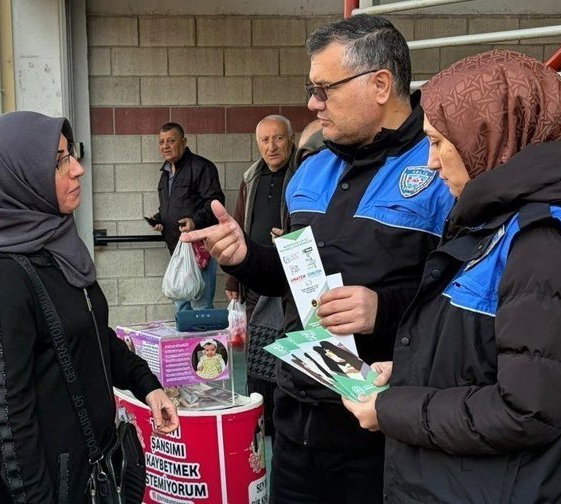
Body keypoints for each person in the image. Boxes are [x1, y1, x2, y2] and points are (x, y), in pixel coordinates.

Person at [342, 50, 561, 503]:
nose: (430, 163)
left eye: (440, 142)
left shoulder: (544, 241)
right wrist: (407, 372)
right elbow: (498, 354)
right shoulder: (502, 223)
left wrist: (392, 409)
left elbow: (527, 408)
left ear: (489, 136)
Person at [181, 14, 455, 503]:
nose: (312, 103)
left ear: (380, 85)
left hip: (382, 425)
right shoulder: (310, 169)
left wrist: (382, 308)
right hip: (295, 417)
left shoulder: (439, 166)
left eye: (324, 89)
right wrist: (246, 258)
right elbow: (294, 279)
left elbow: (461, 299)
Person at [0, 111, 179, 503]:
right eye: (59, 161)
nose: (78, 170)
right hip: (42, 487)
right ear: (16, 178)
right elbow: (6, 416)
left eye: (72, 154)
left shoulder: (54, 245)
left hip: (84, 471)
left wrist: (146, 385)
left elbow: (87, 334)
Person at [225, 114, 295, 319]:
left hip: (290, 276)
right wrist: (233, 276)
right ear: (258, 144)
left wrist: (291, 236)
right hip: (254, 275)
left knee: (289, 340)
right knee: (257, 341)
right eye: (265, 140)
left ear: (292, 138)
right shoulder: (250, 178)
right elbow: (236, 226)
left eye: (278, 138)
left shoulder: (304, 173)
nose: (271, 146)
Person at [150, 122, 225, 311]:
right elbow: (170, 207)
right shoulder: (165, 174)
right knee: (181, 305)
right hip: (177, 248)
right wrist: (159, 219)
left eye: (170, 141)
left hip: (201, 249)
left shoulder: (202, 167)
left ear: (184, 142)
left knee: (201, 307)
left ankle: (204, 342)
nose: (165, 146)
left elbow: (215, 202)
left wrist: (195, 221)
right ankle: (184, 342)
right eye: (161, 142)